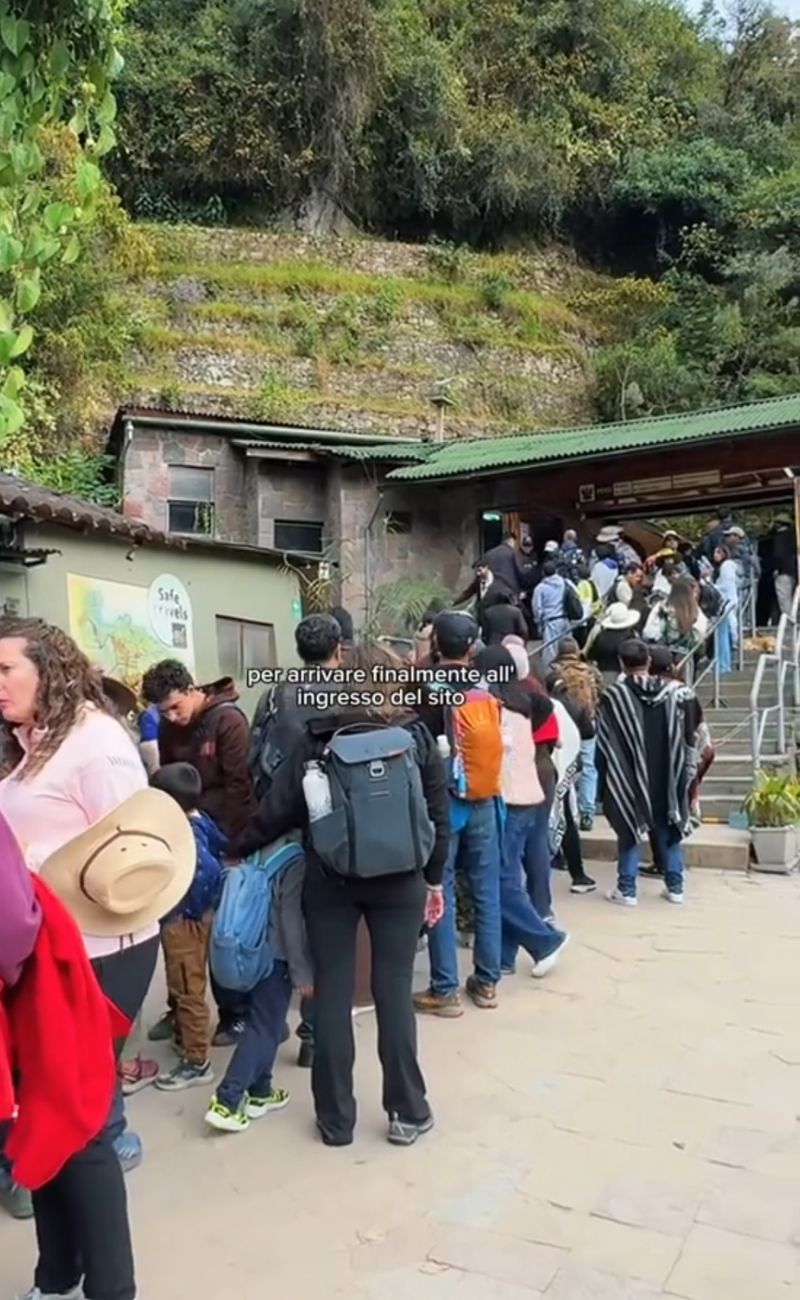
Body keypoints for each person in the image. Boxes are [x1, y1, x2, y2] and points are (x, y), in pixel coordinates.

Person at [231, 643, 449, 1147]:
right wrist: (433, 879)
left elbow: (279, 810)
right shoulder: (414, 737)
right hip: (402, 881)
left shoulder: (319, 738)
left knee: (331, 993)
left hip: (330, 879)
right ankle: (407, 1112)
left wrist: (237, 847)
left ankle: (335, 1120)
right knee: (394, 992)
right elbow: (437, 818)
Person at [0, 617, 157, 1175]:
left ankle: (94, 1153)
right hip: (49, 942)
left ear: (48, 671)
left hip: (103, 945)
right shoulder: (30, 743)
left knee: (78, 1085)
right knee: (65, 1080)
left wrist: (29, 866)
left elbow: (133, 849)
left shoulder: (96, 745)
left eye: (5, 669)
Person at [1, 813, 137, 1300]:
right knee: (43, 1126)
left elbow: (130, 848)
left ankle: (110, 1288)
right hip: (35, 967)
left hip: (64, 959)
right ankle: (59, 1276)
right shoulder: (26, 752)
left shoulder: (96, 743)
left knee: (80, 1127)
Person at [247, 612, 345, 1067]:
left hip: (286, 824)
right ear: (338, 649)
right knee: (329, 925)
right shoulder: (352, 696)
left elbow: (253, 760)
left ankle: (271, 1020)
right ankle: (314, 1031)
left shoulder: (273, 696)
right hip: (334, 828)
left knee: (286, 920)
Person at [415, 611, 504, 1016]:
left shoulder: (424, 690)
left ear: (435, 645)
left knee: (440, 889)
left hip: (442, 804)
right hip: (484, 796)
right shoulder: (486, 689)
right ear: (472, 649)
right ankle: (486, 983)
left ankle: (445, 988)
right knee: (487, 889)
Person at [472, 645, 570, 977]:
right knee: (509, 876)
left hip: (510, 800)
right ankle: (504, 955)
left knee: (500, 880)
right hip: (530, 796)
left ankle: (545, 940)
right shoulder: (526, 701)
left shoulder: (498, 708)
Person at [205, 848, 312, 1135]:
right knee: (264, 1029)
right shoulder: (296, 859)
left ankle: (260, 1091)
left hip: (249, 948)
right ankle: (226, 1101)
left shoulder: (263, 850)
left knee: (266, 1021)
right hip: (275, 957)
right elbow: (290, 920)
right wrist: (301, 970)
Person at [596, 638, 697, 907]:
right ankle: (675, 886)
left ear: (621, 663)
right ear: (649, 663)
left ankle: (627, 890)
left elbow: (604, 743)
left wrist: (602, 779)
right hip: (665, 774)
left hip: (627, 776)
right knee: (668, 825)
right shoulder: (670, 694)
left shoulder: (613, 697)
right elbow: (684, 738)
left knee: (628, 828)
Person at [147, 763, 227, 1091]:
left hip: (184, 920)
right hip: (191, 917)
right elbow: (222, 844)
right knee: (182, 983)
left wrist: (190, 910)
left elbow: (206, 869)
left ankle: (197, 1061)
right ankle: (183, 1037)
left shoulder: (183, 831)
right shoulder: (201, 819)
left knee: (187, 987)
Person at [141, 659, 255, 840]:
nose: (171, 717)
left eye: (175, 707)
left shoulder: (229, 720)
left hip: (225, 826)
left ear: (190, 690)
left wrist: (236, 848)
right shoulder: (167, 726)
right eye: (163, 712)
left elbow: (239, 787)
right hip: (187, 823)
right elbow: (168, 779)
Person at [548, 638, 604, 832]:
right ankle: (587, 811)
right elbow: (601, 693)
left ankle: (565, 808)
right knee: (589, 765)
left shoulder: (553, 671)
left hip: (562, 721)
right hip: (587, 719)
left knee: (564, 764)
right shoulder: (590, 671)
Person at [644, 577, 707, 657]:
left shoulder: (661, 606)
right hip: (687, 655)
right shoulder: (694, 610)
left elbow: (648, 632)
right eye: (695, 592)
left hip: (661, 653)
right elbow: (701, 634)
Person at [532, 560, 573, 669]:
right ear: (556, 571)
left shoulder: (540, 588)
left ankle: (553, 680)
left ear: (543, 573)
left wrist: (538, 623)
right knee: (568, 652)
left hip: (550, 622)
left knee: (550, 655)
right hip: (565, 621)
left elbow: (537, 608)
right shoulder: (566, 582)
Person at [584, 602, 641, 677]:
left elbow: (591, 655)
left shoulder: (601, 635)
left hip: (602, 673)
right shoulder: (630, 636)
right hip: (624, 674)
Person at [712, 544, 739, 675]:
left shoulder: (726, 566)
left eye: (718, 552)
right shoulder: (726, 567)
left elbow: (725, 586)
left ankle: (723, 665)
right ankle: (723, 664)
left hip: (725, 603)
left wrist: (711, 584)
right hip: (728, 602)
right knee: (725, 634)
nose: (715, 555)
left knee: (723, 634)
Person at [772, 513, 797, 617]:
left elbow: (779, 554)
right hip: (794, 570)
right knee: (793, 597)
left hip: (783, 571)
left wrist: (776, 568)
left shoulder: (780, 537)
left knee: (784, 599)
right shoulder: (794, 536)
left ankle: (788, 622)